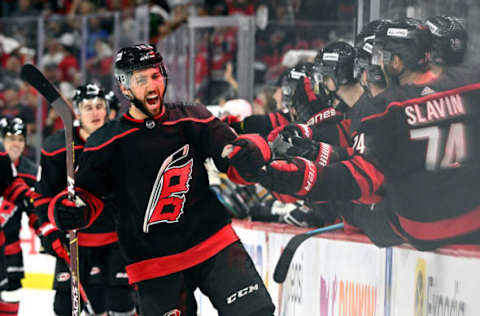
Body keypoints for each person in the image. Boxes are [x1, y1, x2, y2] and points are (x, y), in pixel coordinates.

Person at [48, 44, 275, 316]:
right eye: (141, 80)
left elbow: (231, 155)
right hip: (154, 264)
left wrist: (249, 153)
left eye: (155, 76)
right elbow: (86, 199)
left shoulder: (192, 116)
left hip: (214, 244)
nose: (152, 85)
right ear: (124, 87)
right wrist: (68, 211)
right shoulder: (104, 143)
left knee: (255, 313)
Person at [254, 18, 480, 251]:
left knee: (355, 202)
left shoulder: (385, 107)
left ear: (396, 62)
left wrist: (302, 179)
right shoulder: (471, 86)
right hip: (474, 222)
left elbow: (365, 182)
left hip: (423, 227)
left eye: (379, 57)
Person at [34, 84, 136, 316]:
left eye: (100, 106)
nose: (95, 112)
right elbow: (41, 196)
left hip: (114, 241)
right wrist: (50, 230)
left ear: (107, 109)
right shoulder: (57, 148)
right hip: (75, 244)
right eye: (88, 107)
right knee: (64, 306)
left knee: (121, 303)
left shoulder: (122, 143)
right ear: (78, 112)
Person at [0, 117, 39, 308]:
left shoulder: (31, 172)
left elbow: (34, 211)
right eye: (10, 138)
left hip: (11, 248)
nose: (16, 143)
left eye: (20, 139)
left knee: (11, 298)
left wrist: (45, 229)